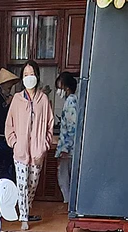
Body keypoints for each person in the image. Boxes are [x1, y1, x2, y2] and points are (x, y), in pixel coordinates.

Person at [5, 60, 54, 231]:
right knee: (22, 186)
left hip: (37, 152)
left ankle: (26, 208)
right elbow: (9, 124)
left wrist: (44, 145)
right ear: (22, 78)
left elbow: (50, 124)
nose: (28, 77)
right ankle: (24, 217)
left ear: (37, 76)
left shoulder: (43, 99)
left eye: (31, 74)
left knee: (32, 186)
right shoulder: (17, 99)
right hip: (20, 152)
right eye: (25, 75)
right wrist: (15, 143)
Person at [0, 68, 18, 181]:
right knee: (1, 168)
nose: (10, 89)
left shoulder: (8, 98)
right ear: (1, 85)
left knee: (11, 167)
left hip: (9, 139)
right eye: (8, 86)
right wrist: (7, 103)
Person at [54, 71, 78, 204]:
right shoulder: (72, 100)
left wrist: (65, 148)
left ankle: (68, 204)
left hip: (68, 149)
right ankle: (69, 204)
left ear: (67, 88)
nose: (59, 91)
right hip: (69, 148)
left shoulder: (70, 102)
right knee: (67, 177)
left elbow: (72, 127)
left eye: (60, 87)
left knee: (63, 177)